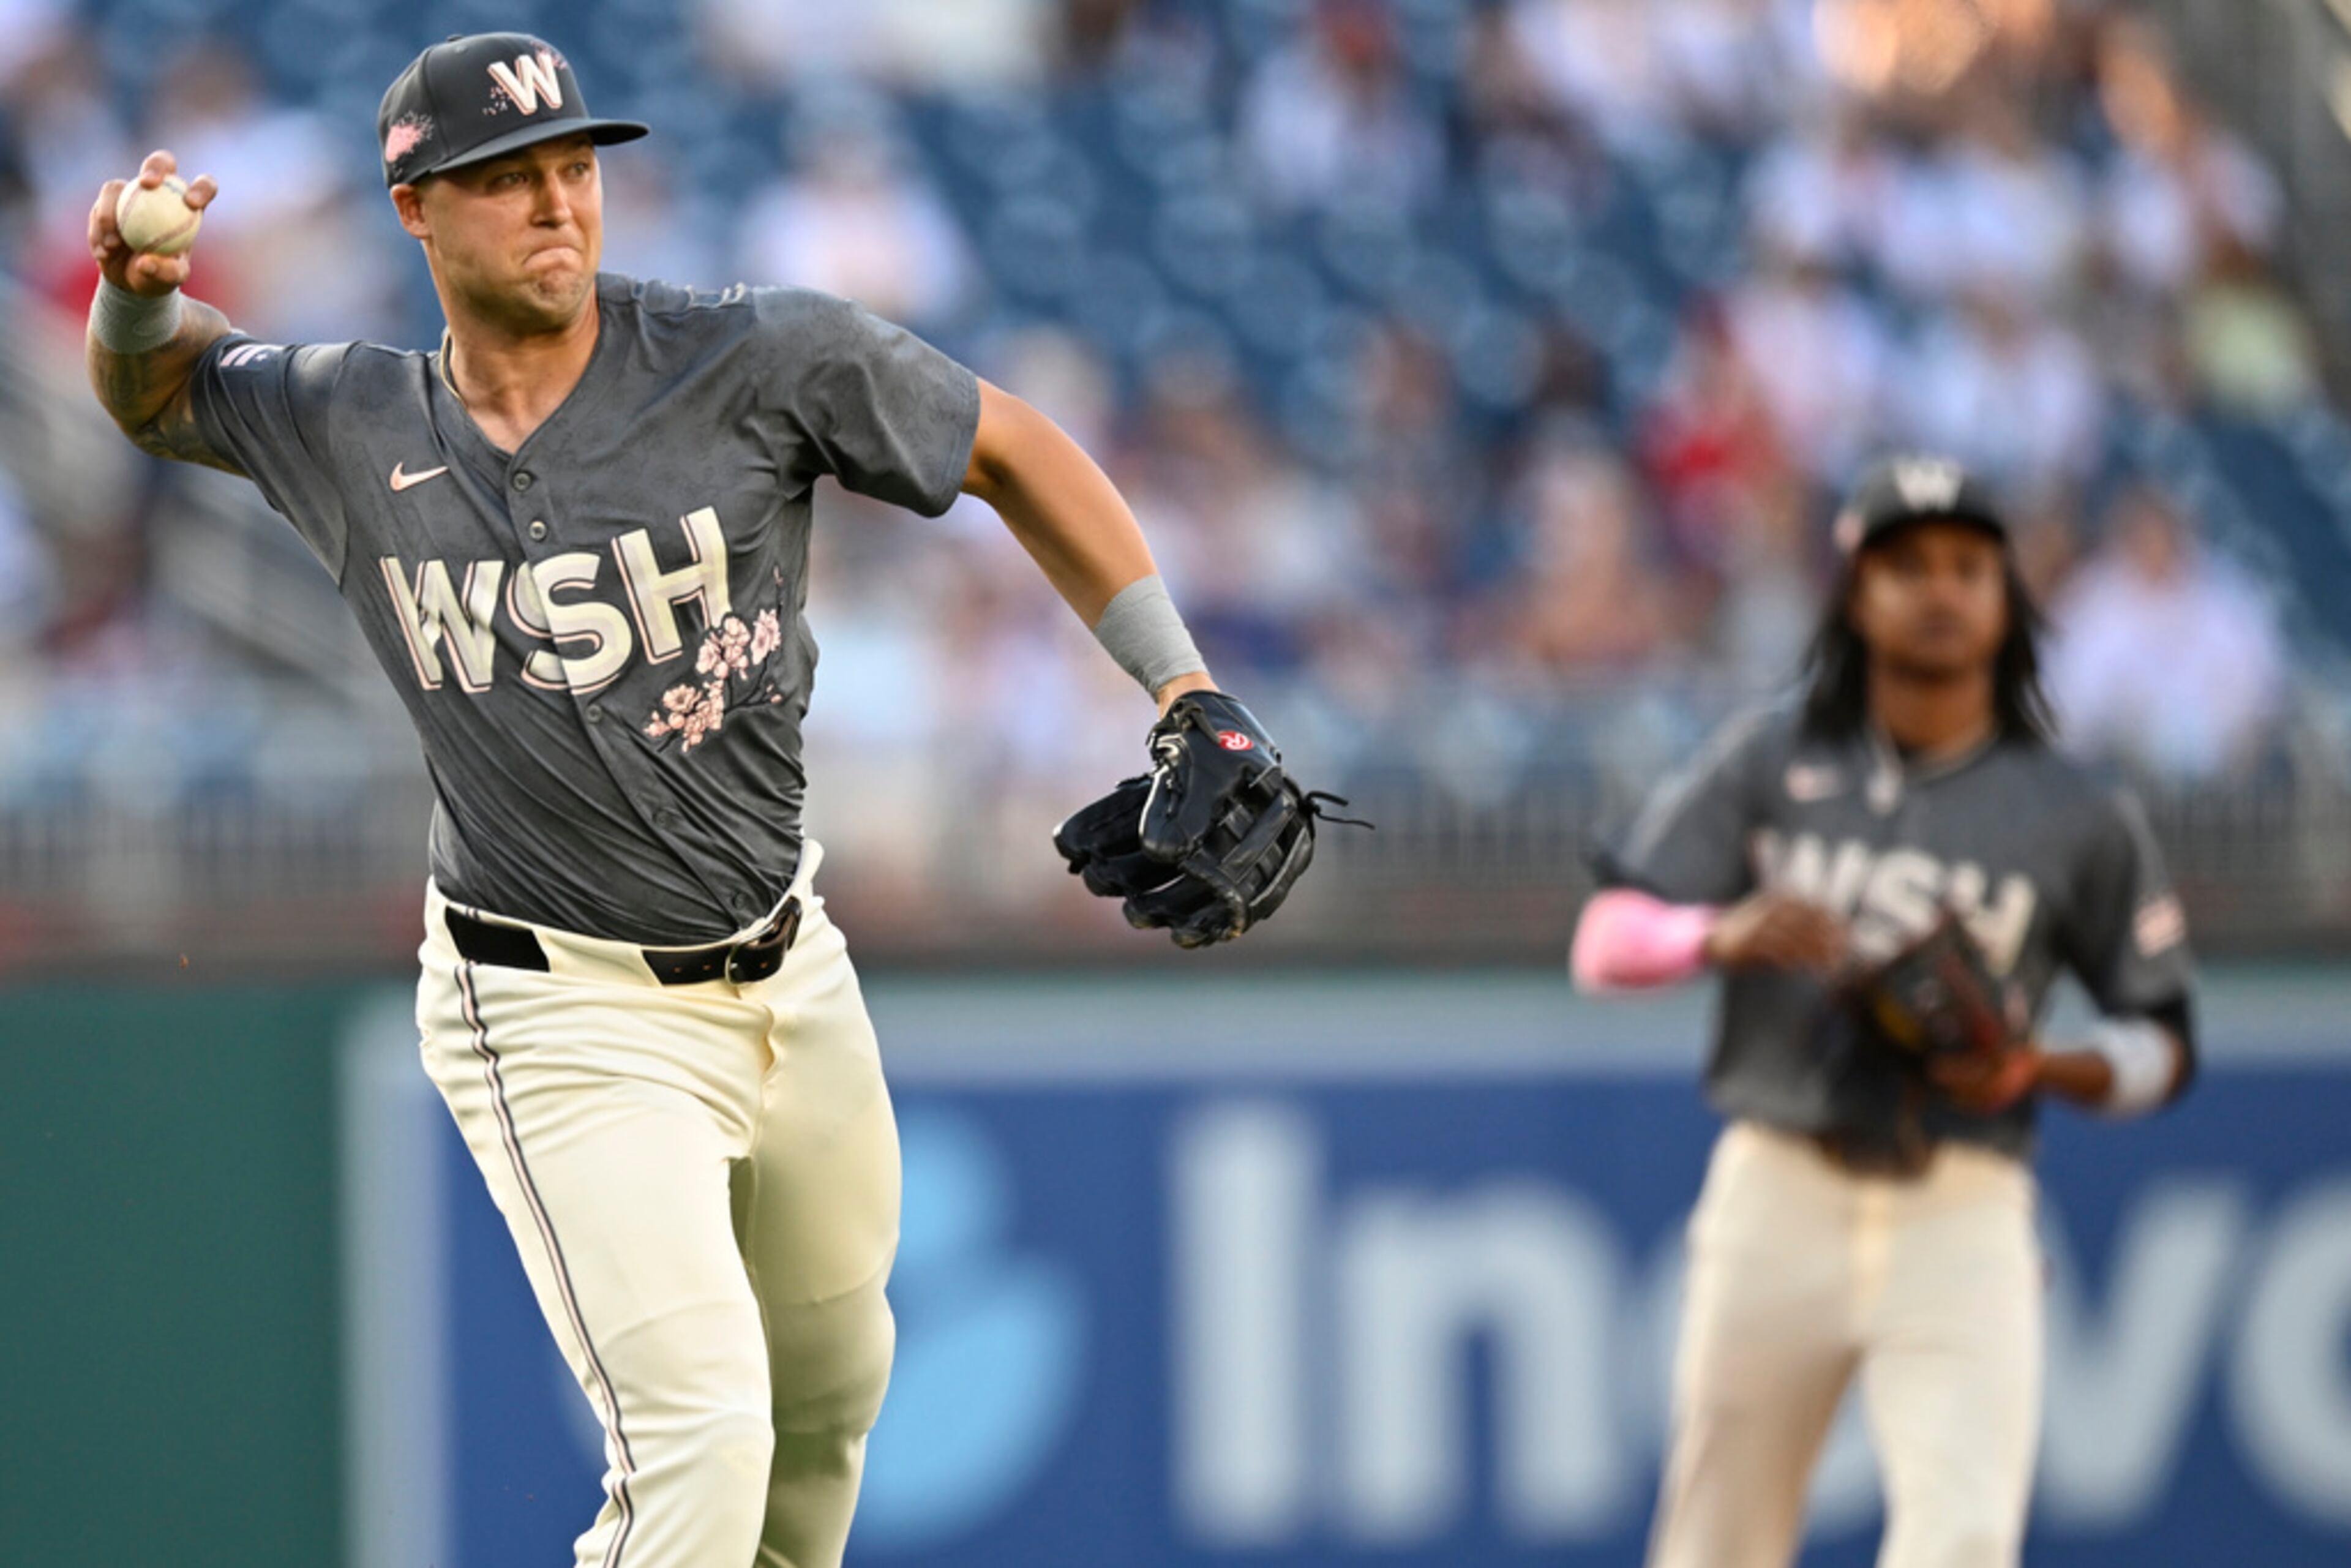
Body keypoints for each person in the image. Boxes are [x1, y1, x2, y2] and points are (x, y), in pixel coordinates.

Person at [83, 32, 1286, 1568]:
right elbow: (160, 392)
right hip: (557, 1009)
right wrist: (135, 290)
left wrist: (1183, 686)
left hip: (793, 964)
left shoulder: (750, 356)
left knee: (829, 1418)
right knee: (700, 1441)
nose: (558, 207)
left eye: (576, 169)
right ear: (416, 211)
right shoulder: (348, 418)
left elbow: (1009, 446)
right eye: (508, 181)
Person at [1569, 455, 2197, 1568]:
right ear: (1856, 593)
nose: (1941, 590)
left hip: (1962, 1200)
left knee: (1962, 1540)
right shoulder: (1774, 756)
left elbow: (2165, 1043)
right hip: (1779, 1183)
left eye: (1967, 565)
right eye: (1908, 566)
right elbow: (1605, 938)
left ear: (2007, 597)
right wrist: (1714, 933)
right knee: (1716, 1543)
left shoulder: (2077, 809)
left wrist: (2043, 1069)